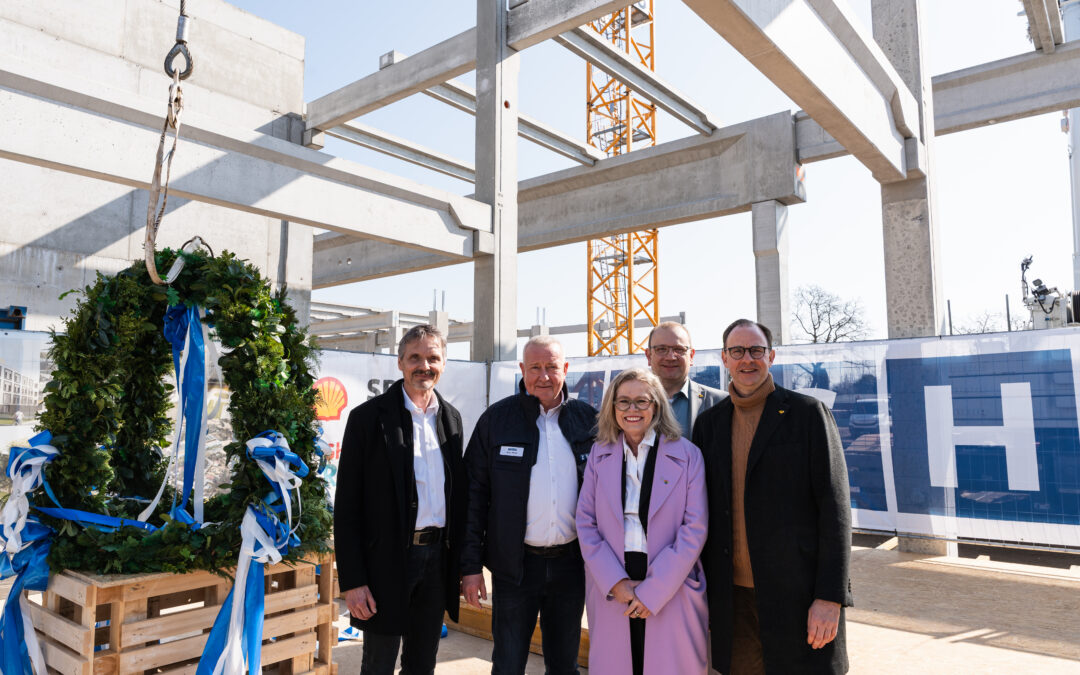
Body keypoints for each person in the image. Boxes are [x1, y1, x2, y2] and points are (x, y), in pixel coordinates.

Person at [692, 319, 853, 674]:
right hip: (733, 601)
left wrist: (830, 597)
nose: (747, 359)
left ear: (772, 356)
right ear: (724, 358)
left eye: (756, 350)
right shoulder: (709, 425)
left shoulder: (808, 414)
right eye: (737, 351)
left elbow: (835, 509)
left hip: (798, 597)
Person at [333, 325, 468, 675]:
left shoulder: (451, 418)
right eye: (415, 358)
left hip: (437, 561)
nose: (424, 366)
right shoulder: (368, 419)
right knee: (378, 663)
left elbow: (459, 498)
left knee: (422, 662)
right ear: (400, 363)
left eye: (433, 358)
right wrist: (352, 580)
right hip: (387, 561)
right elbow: (347, 507)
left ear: (444, 363)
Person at [461, 336, 598, 675]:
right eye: (535, 367)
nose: (544, 376)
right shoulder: (496, 421)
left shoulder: (589, 421)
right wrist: (470, 567)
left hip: (571, 566)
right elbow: (472, 497)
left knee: (565, 665)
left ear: (565, 369)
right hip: (514, 569)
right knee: (507, 664)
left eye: (552, 367)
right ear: (522, 370)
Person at [576, 368, 708, 675]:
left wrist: (654, 592)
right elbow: (585, 523)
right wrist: (616, 583)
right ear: (612, 407)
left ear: (657, 406)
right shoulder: (599, 454)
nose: (632, 410)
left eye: (641, 401)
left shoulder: (689, 456)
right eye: (623, 402)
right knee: (618, 665)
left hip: (670, 582)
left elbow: (695, 529)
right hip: (614, 581)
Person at [645, 322, 725, 439]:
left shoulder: (721, 404)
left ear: (691, 356)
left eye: (679, 349)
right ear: (648, 356)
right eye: (661, 349)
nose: (670, 357)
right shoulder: (625, 406)